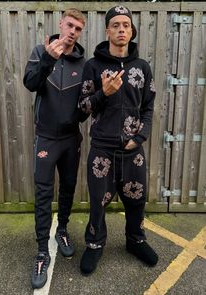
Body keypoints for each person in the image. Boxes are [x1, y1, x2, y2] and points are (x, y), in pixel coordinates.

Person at [79, 5, 158, 275]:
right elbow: (83, 108)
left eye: (126, 24)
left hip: (132, 149)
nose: (121, 29)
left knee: (136, 200)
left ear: (131, 30)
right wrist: (104, 92)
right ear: (107, 30)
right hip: (102, 149)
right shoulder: (93, 66)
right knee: (98, 201)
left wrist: (142, 136)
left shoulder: (143, 67)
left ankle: (135, 241)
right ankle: (94, 244)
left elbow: (149, 107)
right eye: (116, 25)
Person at [23, 8, 86, 289]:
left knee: (69, 187)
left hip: (71, 140)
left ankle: (61, 231)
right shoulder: (41, 51)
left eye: (78, 28)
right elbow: (30, 83)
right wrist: (49, 58)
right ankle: (40, 252)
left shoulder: (85, 63)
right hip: (46, 139)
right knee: (43, 193)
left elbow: (84, 108)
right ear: (60, 23)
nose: (72, 31)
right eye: (69, 25)